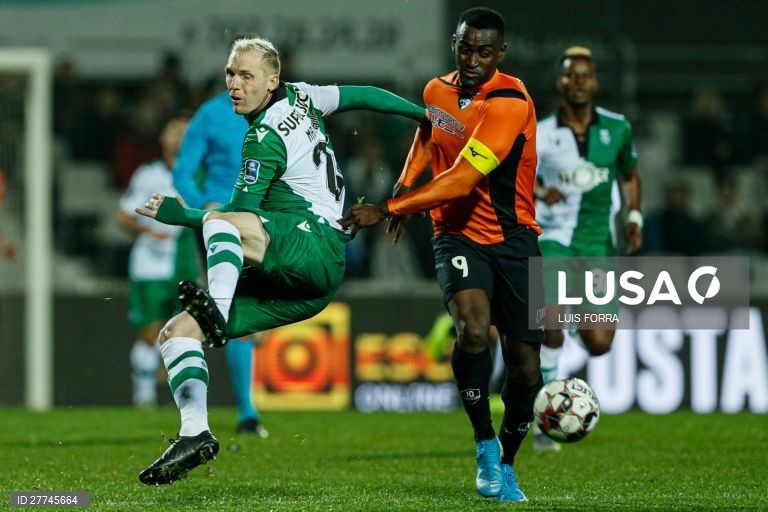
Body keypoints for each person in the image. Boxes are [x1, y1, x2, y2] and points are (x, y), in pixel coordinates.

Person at [134, 36, 425, 486]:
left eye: (245, 75)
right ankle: (195, 432)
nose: (234, 84)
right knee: (176, 334)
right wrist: (423, 115)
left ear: (272, 81)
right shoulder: (304, 95)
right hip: (312, 285)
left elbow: (232, 217)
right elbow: (365, 95)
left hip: (313, 245)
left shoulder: (263, 137)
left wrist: (181, 214)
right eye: (230, 73)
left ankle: (218, 306)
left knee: (220, 224)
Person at [340, 7, 544, 503]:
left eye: (483, 51)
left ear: (500, 53)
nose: (471, 58)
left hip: (515, 240)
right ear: (455, 43)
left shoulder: (511, 101)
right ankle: (482, 443)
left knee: (526, 370)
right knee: (473, 330)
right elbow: (429, 138)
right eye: (464, 47)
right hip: (454, 233)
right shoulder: (436, 90)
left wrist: (387, 206)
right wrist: (405, 185)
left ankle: (508, 461)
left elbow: (463, 178)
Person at [532, 46, 643, 450]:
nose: (578, 82)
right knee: (551, 323)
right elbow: (522, 180)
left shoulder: (618, 128)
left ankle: (579, 323)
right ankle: (545, 416)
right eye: (570, 75)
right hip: (554, 240)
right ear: (560, 82)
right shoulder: (542, 133)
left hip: (598, 245)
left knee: (599, 344)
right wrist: (544, 190)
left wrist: (634, 217)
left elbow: (630, 175)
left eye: (584, 75)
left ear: (594, 82)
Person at [173, 86, 267, 437]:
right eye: (236, 73)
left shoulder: (279, 112)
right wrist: (204, 210)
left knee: (240, 317)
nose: (241, 82)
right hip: (220, 223)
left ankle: (234, 413)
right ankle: (244, 413)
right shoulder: (210, 115)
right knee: (235, 313)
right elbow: (183, 173)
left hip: (261, 222)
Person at [117, 116, 199, 407]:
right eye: (173, 130)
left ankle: (186, 399)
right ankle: (145, 396)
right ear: (162, 139)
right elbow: (123, 215)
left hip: (185, 264)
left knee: (187, 333)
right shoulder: (148, 174)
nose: (178, 137)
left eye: (185, 133)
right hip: (150, 265)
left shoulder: (198, 175)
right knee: (150, 332)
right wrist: (148, 230)